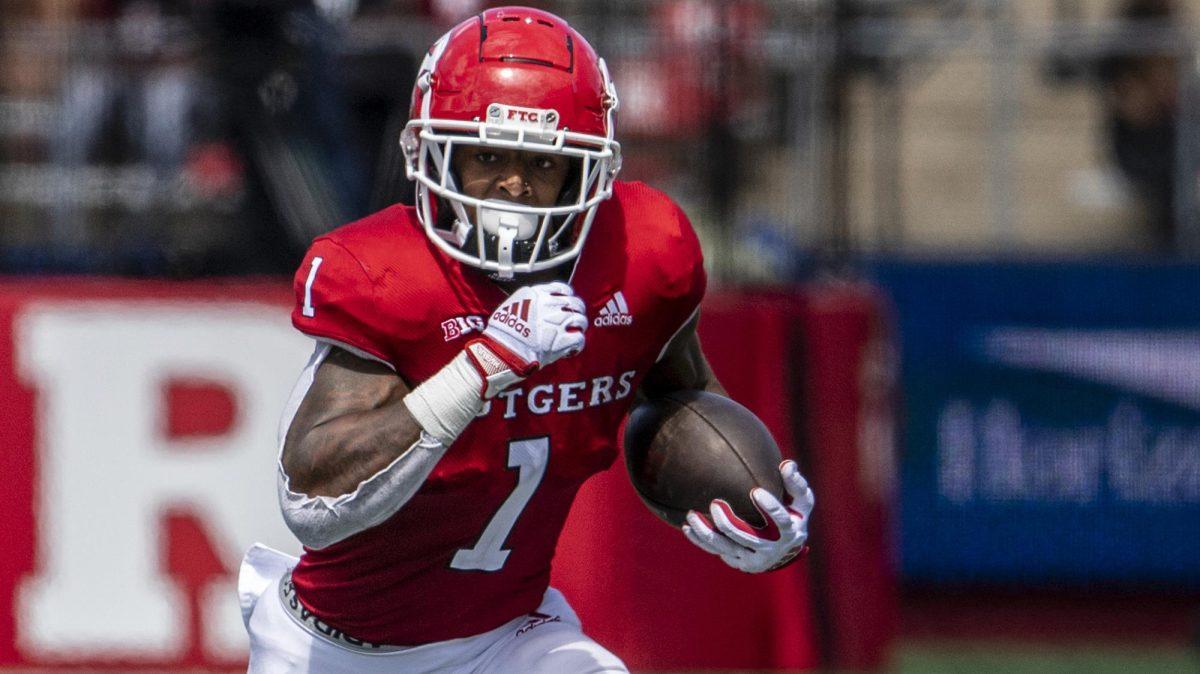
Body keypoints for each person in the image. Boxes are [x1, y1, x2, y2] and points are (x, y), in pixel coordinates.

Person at [238, 7, 814, 673]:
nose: (513, 184)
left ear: (588, 171)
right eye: (487, 155)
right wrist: (482, 367)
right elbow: (312, 503)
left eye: (542, 161)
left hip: (508, 640)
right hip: (335, 649)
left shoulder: (641, 250)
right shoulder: (382, 273)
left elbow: (683, 399)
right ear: (435, 154)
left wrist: (751, 510)